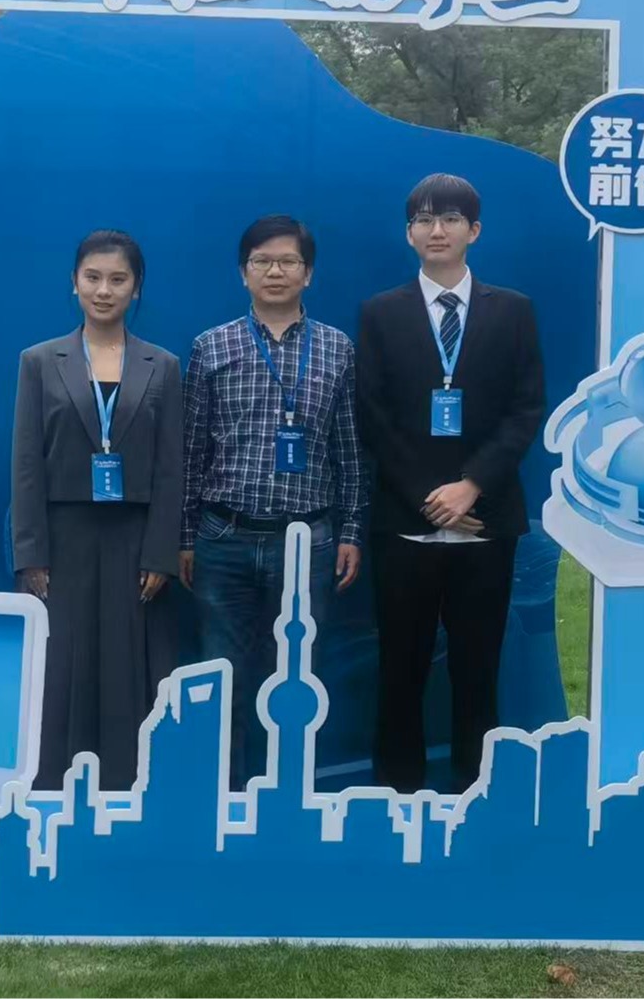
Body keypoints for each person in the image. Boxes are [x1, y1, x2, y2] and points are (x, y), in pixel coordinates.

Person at [355, 173, 545, 795]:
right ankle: (395, 800)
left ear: (474, 231)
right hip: (404, 525)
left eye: (451, 219)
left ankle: (475, 798)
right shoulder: (381, 313)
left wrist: (470, 486)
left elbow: (525, 409)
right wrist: (429, 499)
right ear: (408, 233)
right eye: (424, 220)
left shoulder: (512, 311)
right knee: (399, 671)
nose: (437, 230)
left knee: (478, 671)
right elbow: (373, 415)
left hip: (486, 522)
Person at [181, 215, 365, 787]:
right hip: (223, 540)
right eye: (262, 261)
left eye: (288, 261)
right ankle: (224, 798)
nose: (275, 271)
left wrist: (352, 532)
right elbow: (191, 451)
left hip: (307, 543)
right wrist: (185, 537)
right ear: (244, 273)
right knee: (222, 679)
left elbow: (349, 450)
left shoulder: (337, 349)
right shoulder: (211, 346)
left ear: (308, 274)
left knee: (296, 680)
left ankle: (282, 797)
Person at [12, 231, 181, 791]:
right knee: (64, 664)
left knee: (128, 666)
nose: (104, 290)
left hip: (135, 537)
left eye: (117, 279)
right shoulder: (39, 361)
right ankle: (54, 790)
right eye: (93, 278)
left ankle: (128, 788)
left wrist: (160, 552)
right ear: (75, 283)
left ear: (136, 288)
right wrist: (30, 553)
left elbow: (170, 468)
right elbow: (26, 465)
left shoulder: (162, 365)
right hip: (64, 537)